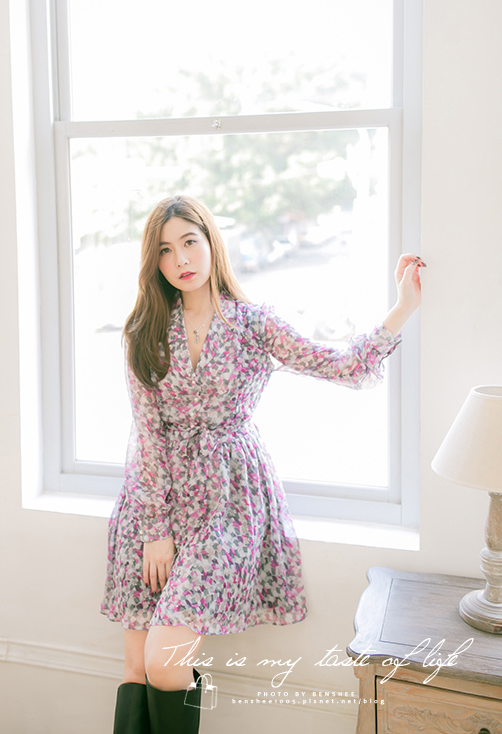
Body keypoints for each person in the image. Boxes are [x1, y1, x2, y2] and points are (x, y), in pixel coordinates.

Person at [101, 195, 424, 733]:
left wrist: (403, 307)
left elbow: (341, 366)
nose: (180, 259)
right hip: (153, 506)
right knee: (137, 667)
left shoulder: (253, 324)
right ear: (153, 262)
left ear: (211, 243)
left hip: (227, 503)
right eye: (165, 250)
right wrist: (155, 530)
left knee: (163, 663)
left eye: (189, 242)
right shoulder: (146, 331)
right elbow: (149, 437)